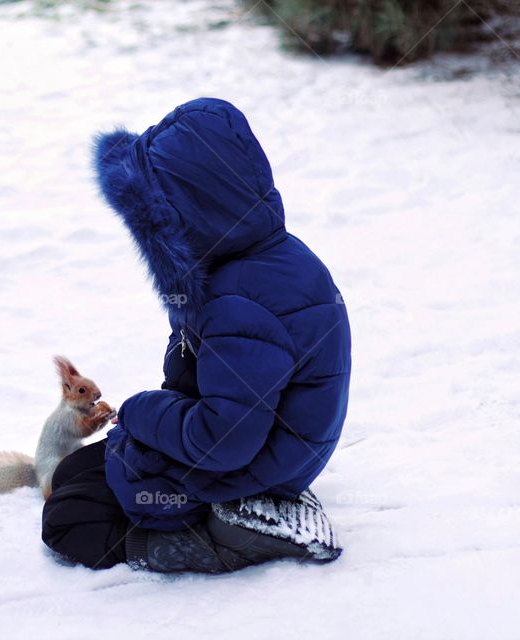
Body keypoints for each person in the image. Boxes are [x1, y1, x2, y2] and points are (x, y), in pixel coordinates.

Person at [42, 98, 351, 573]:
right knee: (72, 472)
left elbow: (222, 440)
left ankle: (231, 533)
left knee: (69, 522)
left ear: (184, 217)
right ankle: (234, 510)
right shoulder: (260, 258)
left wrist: (142, 411)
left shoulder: (237, 303)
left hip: (252, 465)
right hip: (266, 440)